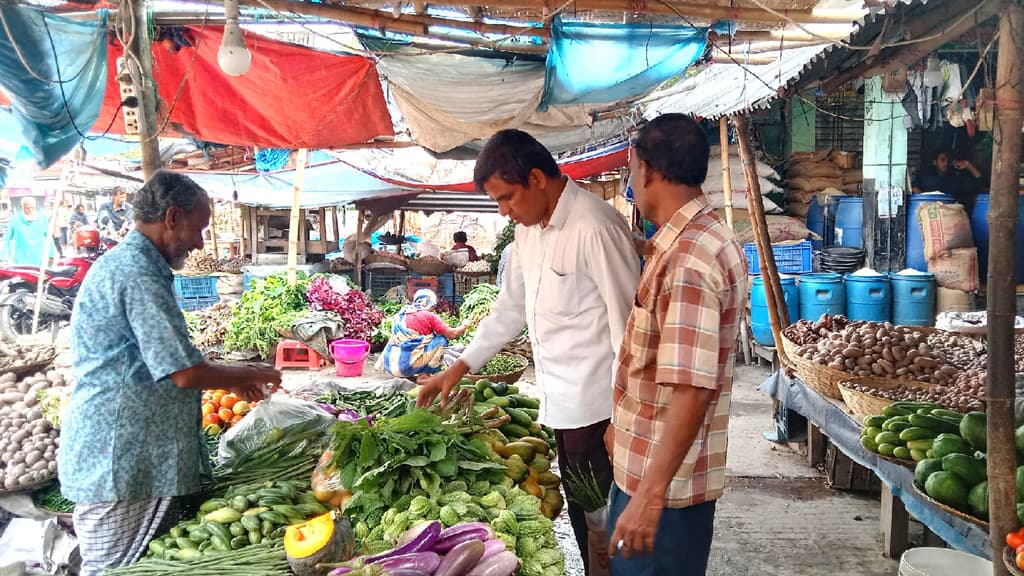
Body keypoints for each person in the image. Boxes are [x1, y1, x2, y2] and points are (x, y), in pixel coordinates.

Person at [416, 128, 640, 570]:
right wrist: (456, 368)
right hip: (561, 406)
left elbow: (630, 330)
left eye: (508, 198)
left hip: (600, 409)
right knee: (585, 513)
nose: (504, 211)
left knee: (607, 519)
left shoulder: (595, 227)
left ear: (537, 178)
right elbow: (510, 309)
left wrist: (624, 416)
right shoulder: (528, 234)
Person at [58, 171, 282, 576]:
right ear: (172, 216)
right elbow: (182, 371)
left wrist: (235, 375)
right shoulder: (136, 273)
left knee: (145, 564)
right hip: (122, 456)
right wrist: (251, 371)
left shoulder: (138, 267)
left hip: (137, 453)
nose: (199, 243)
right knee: (111, 570)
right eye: (198, 229)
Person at [604, 114, 747, 575]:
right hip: (653, 472)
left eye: (630, 169)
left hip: (664, 492)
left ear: (646, 169)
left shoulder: (689, 260)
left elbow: (693, 387)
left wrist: (648, 497)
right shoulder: (698, 237)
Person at [378, 288, 468, 378]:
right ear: (428, 303)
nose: (433, 308)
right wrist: (465, 325)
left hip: (391, 366)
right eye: (433, 305)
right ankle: (425, 374)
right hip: (406, 369)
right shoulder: (428, 315)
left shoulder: (400, 314)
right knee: (441, 340)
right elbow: (452, 334)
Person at [911, 149, 984, 212]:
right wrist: (927, 201)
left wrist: (968, 165)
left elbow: (979, 182)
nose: (946, 163)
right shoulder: (926, 178)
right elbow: (914, 188)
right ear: (935, 162)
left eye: (948, 160)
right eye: (942, 160)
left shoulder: (954, 179)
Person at [3, 197, 56, 266]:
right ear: (22, 207)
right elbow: (7, 239)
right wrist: (5, 256)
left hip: (40, 258)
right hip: (22, 259)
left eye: (32, 208)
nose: (30, 210)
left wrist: (51, 254)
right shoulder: (14, 220)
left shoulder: (43, 218)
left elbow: (49, 237)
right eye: (27, 208)